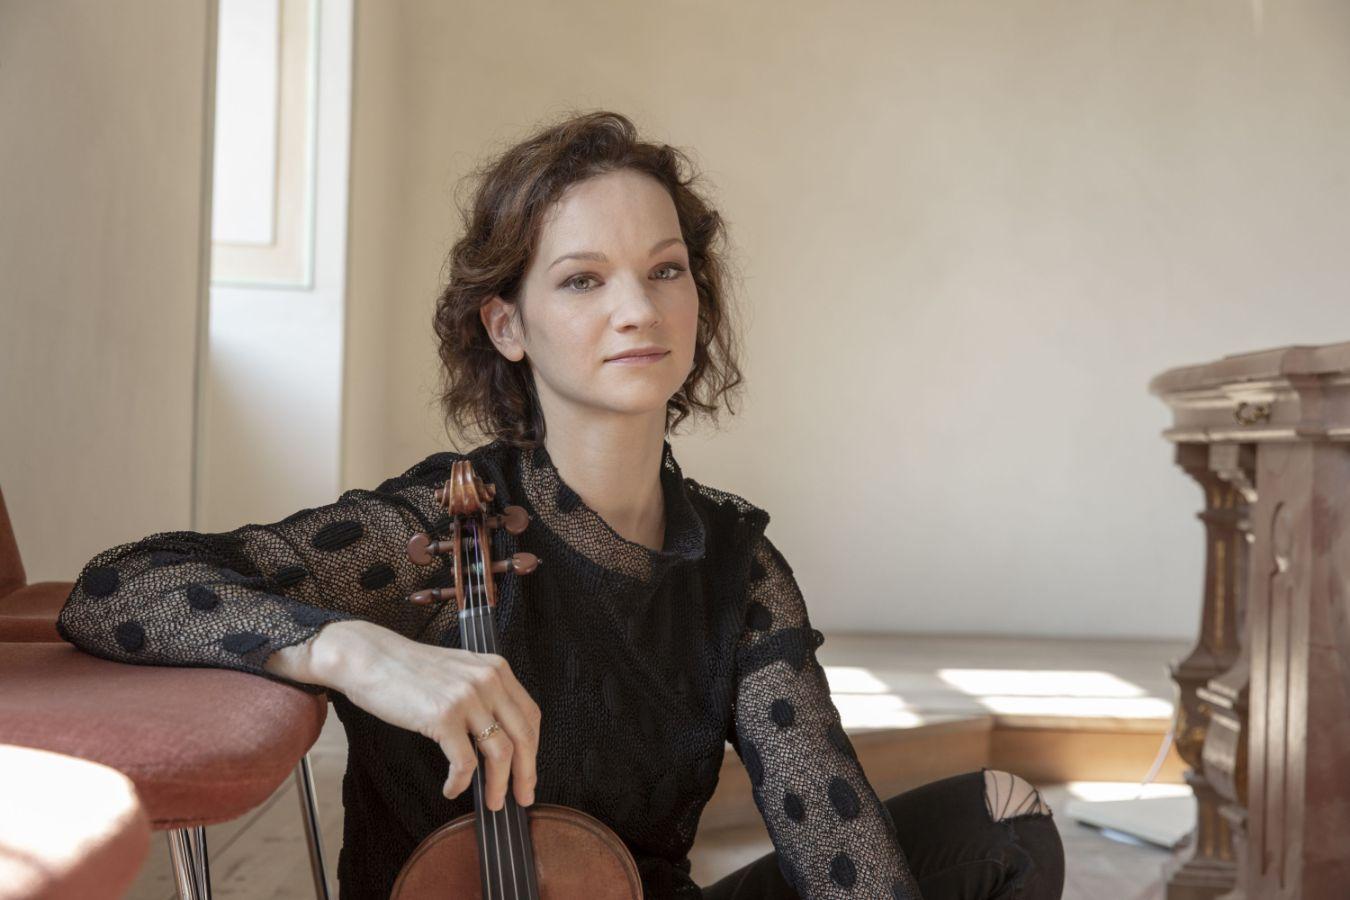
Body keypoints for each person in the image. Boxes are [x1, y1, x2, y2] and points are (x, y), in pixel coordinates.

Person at [57, 110, 1064, 899]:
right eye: (583, 280)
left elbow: (833, 838)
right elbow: (118, 587)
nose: (638, 308)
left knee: (1005, 822)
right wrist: (355, 652)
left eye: (666, 270)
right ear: (508, 325)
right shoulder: (427, 536)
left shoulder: (733, 568)